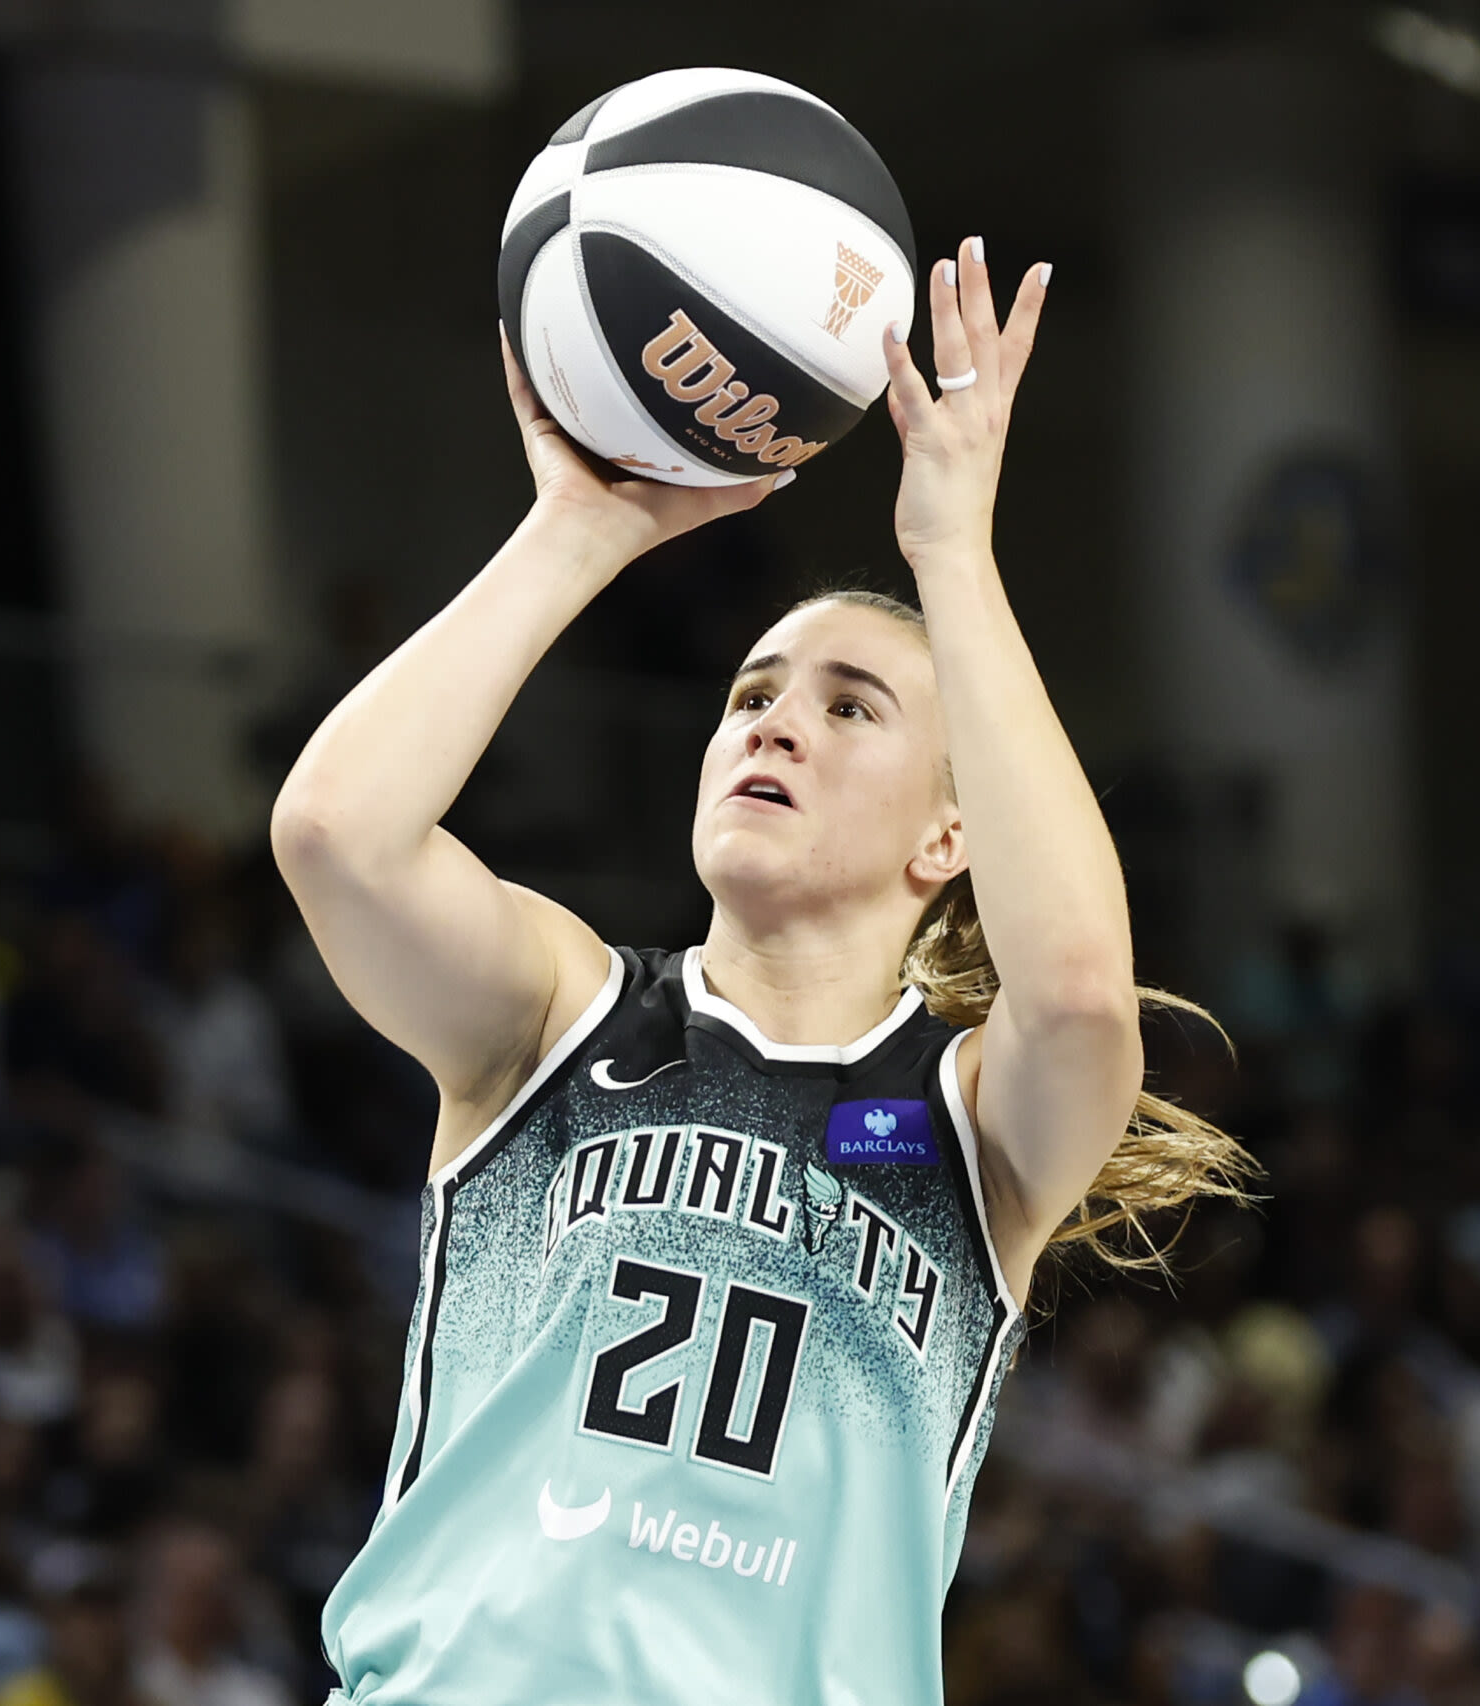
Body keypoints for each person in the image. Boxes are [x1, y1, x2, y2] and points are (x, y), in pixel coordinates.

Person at [270, 242, 1253, 1703]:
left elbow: (1081, 995)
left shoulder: (969, 1128)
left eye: (848, 704)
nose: (773, 725)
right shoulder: (562, 1009)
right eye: (752, 693)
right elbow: (336, 835)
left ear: (948, 834)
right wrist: (576, 534)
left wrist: (954, 556)